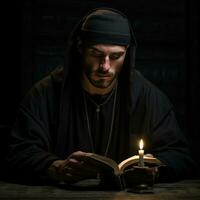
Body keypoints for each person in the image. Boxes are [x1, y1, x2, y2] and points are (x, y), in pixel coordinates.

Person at [5, 8, 196, 185]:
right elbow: (17, 153)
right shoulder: (45, 93)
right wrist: (55, 167)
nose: (105, 66)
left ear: (126, 54)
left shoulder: (147, 96)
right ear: (80, 47)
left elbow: (180, 155)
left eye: (115, 56)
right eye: (96, 53)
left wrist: (156, 170)